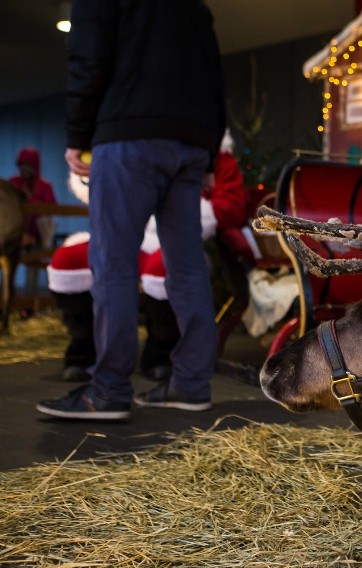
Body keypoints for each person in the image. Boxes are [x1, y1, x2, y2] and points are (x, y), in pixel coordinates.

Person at [37, 0, 226, 420]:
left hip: (128, 134)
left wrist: (76, 133)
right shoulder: (194, 6)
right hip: (191, 140)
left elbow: (88, 58)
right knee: (187, 266)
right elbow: (215, 75)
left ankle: (107, 391)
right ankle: (191, 384)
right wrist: (209, 153)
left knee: (113, 263)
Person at [47, 143, 246, 383]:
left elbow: (231, 206)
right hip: (127, 230)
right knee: (68, 260)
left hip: (176, 235)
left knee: (163, 269)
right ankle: (85, 350)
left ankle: (161, 354)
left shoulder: (215, 153)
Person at [9, 147, 57, 250]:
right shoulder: (14, 182)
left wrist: (31, 200)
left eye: (28, 165)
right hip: (15, 234)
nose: (24, 168)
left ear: (35, 166)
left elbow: (51, 208)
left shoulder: (44, 185)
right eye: (22, 164)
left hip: (39, 235)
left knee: (36, 262)